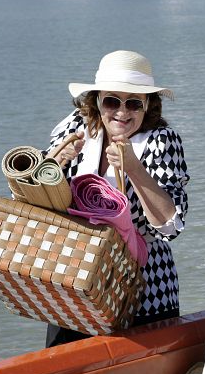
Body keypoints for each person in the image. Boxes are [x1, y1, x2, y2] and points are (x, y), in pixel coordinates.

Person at [43, 50, 189, 346]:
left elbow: (171, 226)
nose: (122, 112)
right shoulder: (76, 126)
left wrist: (134, 168)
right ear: (96, 101)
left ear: (147, 106)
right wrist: (54, 165)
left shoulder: (161, 139)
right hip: (75, 276)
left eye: (133, 103)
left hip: (143, 286)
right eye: (112, 101)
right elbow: (27, 194)